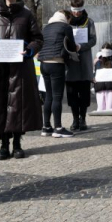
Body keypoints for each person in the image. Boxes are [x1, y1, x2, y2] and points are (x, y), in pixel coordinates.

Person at [0, 0, 44, 159]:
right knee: (0, 103)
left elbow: (38, 38)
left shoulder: (27, 15)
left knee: (19, 105)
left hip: (20, 66)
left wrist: (30, 49)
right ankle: (3, 144)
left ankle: (17, 143)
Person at [38, 9, 78, 138]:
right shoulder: (66, 26)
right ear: (66, 17)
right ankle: (58, 128)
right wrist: (76, 48)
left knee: (48, 96)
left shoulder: (46, 28)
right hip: (56, 62)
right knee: (57, 96)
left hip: (43, 64)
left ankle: (46, 127)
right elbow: (71, 46)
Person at [66, 0, 97, 130]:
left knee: (84, 93)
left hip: (84, 62)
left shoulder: (89, 22)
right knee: (72, 93)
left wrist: (82, 46)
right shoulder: (66, 22)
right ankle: (74, 120)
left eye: (79, 11)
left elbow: (93, 40)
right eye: (74, 10)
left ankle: (83, 119)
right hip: (71, 62)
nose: (77, 13)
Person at [92, 43, 112, 114]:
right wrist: (93, 78)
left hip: (111, 85)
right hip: (99, 86)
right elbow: (93, 73)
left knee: (109, 109)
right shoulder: (97, 61)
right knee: (100, 109)